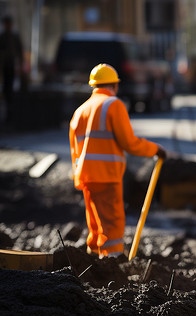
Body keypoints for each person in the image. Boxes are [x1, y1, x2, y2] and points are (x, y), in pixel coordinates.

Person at [69, 64, 167, 258]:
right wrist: (156, 150)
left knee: (95, 225)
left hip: (86, 177)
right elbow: (129, 143)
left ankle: (92, 263)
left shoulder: (80, 111)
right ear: (115, 85)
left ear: (93, 86)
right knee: (112, 225)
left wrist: (79, 175)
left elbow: (75, 150)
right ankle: (112, 266)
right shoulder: (113, 105)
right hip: (107, 175)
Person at [0, 15, 23, 120]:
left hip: (13, 67)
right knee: (5, 92)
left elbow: (19, 53)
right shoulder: (2, 37)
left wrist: (20, 66)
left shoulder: (14, 37)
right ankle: (7, 116)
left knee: (13, 92)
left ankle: (13, 116)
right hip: (4, 67)